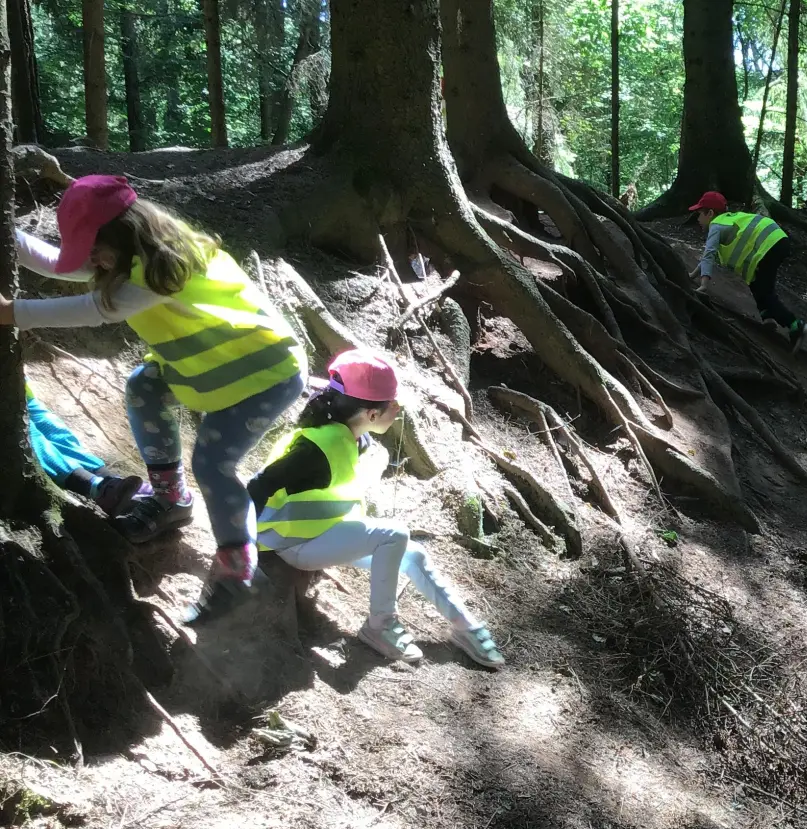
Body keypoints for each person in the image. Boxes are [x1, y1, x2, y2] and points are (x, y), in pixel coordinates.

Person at [0, 176, 307, 611]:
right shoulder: (127, 257)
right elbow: (58, 263)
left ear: (122, 237)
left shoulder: (166, 268)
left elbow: (95, 310)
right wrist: (8, 236)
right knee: (144, 385)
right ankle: (169, 499)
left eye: (94, 250)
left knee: (214, 464)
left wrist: (12, 313)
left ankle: (237, 561)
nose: (91, 262)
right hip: (205, 367)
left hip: (263, 375)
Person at [250, 350, 505, 669]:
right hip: (292, 544)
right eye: (392, 404)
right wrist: (242, 545)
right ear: (371, 414)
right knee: (393, 535)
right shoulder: (313, 450)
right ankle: (380, 626)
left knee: (413, 555)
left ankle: (466, 627)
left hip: (320, 532)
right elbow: (257, 486)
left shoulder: (352, 437)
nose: (397, 410)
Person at [690, 191, 807, 353]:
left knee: (765, 291)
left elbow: (709, 254)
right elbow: (708, 258)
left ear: (710, 213)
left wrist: (703, 284)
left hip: (769, 245)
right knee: (756, 283)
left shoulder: (716, 225)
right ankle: (767, 317)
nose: (697, 219)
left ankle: (795, 325)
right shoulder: (730, 220)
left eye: (699, 214)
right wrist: (692, 274)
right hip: (777, 240)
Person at [25, 380, 143, 515]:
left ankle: (111, 481)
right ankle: (98, 488)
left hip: (17, 392)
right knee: (28, 433)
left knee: (54, 428)